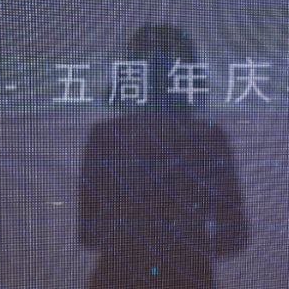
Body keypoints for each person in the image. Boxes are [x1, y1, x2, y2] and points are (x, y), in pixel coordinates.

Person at [77, 25, 248, 289]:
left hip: (122, 276)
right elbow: (233, 235)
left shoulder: (105, 136)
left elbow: (88, 234)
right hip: (184, 276)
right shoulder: (209, 137)